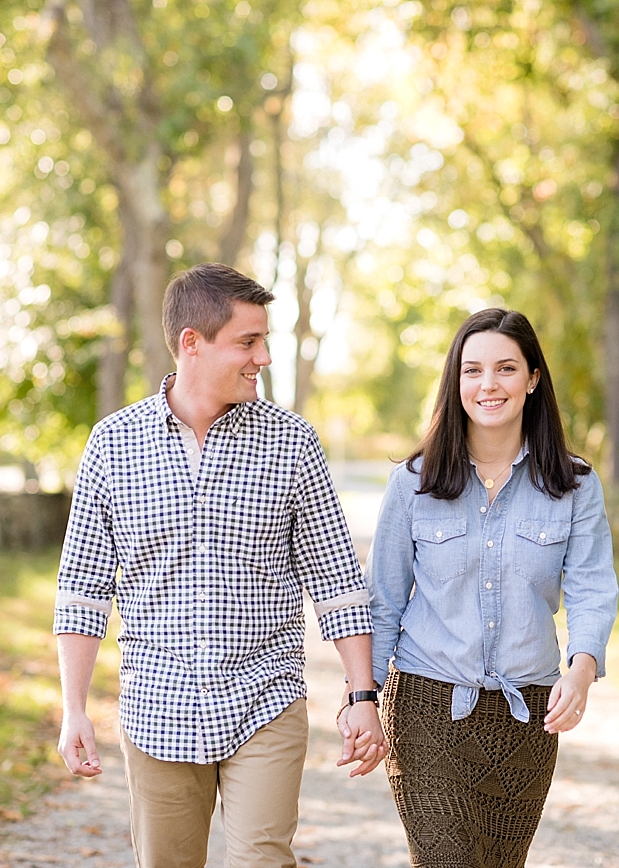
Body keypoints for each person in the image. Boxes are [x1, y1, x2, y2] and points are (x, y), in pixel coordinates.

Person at [54, 263, 387, 868]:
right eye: (247, 342)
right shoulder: (113, 444)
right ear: (192, 344)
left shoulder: (293, 442)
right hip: (157, 704)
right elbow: (83, 591)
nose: (261, 356)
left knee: (261, 859)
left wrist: (363, 693)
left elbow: (337, 580)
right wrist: (74, 708)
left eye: (263, 341)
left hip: (264, 696)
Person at [361, 308, 619, 868]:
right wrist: (363, 698)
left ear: (532, 379)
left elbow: (593, 587)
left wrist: (582, 669)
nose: (488, 385)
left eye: (505, 369)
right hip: (428, 708)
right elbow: (382, 601)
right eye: (472, 370)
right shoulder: (415, 484)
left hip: (527, 713)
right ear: (455, 383)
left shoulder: (574, 485)